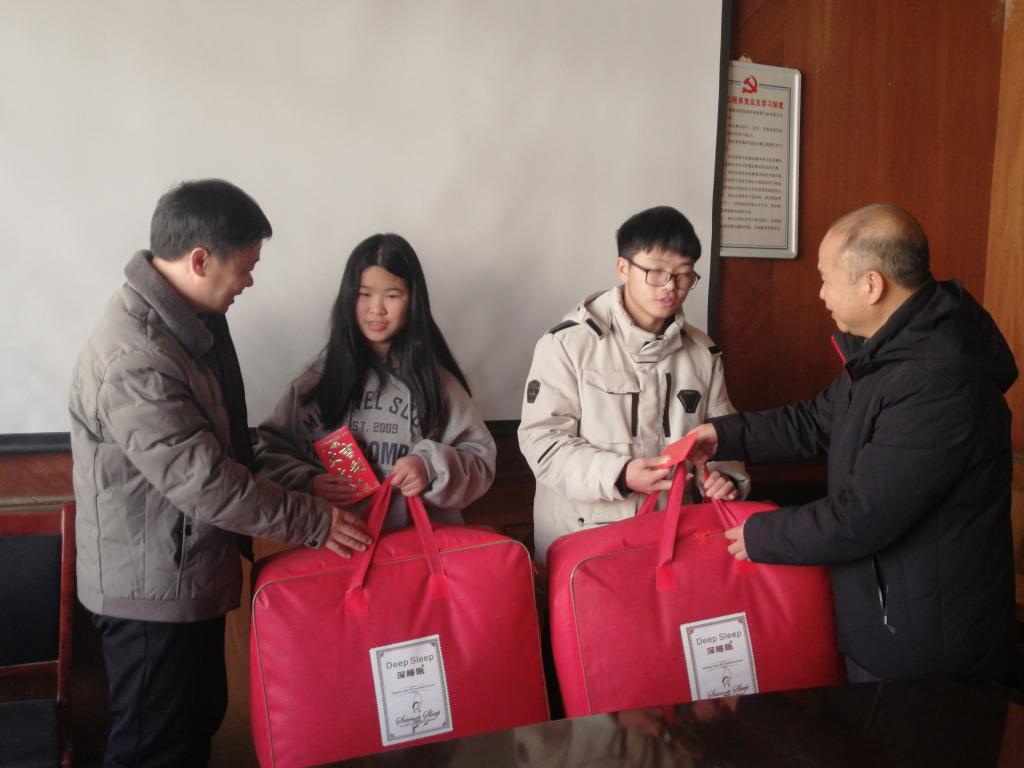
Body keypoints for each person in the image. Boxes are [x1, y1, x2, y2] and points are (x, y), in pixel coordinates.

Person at [68, 179, 372, 767]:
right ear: (200, 260)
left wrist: (301, 481)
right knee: (153, 750)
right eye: (246, 267)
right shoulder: (137, 356)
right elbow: (205, 482)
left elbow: (226, 440)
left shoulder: (190, 322)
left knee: (192, 728)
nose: (249, 281)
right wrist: (316, 521)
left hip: (182, 573)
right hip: (149, 592)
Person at [687, 203, 1018, 684]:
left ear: (871, 285)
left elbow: (863, 517)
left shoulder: (939, 380)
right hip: (894, 622)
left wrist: (758, 536)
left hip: (928, 648)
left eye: (826, 278)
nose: (821, 293)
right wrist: (722, 435)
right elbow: (816, 421)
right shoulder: (895, 348)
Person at [519, 205, 750, 565]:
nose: (671, 286)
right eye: (656, 272)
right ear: (623, 268)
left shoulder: (702, 353)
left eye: (684, 274)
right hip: (586, 544)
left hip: (674, 541)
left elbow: (722, 436)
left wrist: (725, 477)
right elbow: (543, 444)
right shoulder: (567, 344)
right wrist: (621, 474)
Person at [255, 233, 495, 527]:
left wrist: (429, 466)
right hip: (339, 544)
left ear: (413, 300)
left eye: (392, 295)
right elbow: (267, 454)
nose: (376, 309)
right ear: (348, 297)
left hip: (419, 548)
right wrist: (310, 481)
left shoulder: (438, 385)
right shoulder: (314, 383)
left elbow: (481, 461)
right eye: (364, 294)